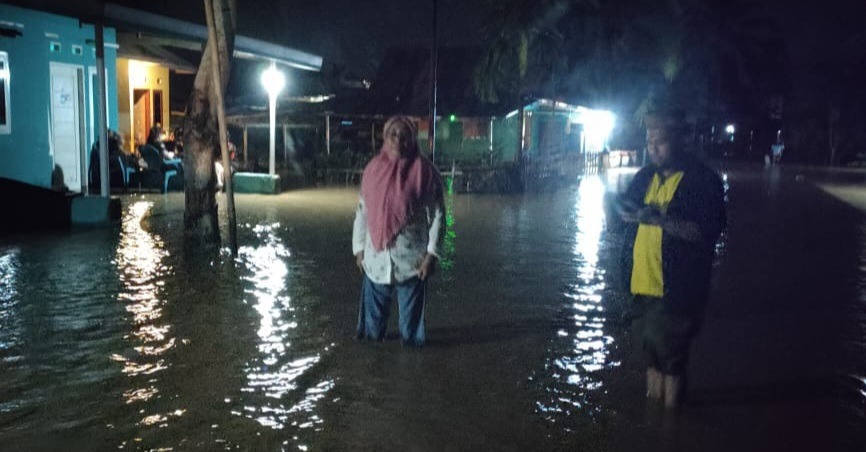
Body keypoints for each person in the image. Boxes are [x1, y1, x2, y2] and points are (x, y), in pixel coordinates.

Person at [617, 109, 726, 410]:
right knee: (650, 356)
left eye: (661, 141)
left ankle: (670, 422)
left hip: (677, 288)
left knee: (672, 360)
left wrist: (660, 220)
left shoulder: (702, 181)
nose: (653, 148)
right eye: (649, 141)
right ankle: (656, 418)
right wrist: (617, 210)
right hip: (639, 284)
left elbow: (704, 231)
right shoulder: (644, 177)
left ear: (680, 141)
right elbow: (627, 212)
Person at [352, 116, 445, 347]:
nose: (398, 140)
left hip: (412, 262)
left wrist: (431, 255)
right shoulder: (372, 170)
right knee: (372, 334)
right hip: (375, 261)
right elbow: (362, 212)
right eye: (393, 134)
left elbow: (438, 215)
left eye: (405, 136)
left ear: (412, 140)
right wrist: (359, 249)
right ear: (385, 137)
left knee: (411, 334)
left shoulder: (425, 172)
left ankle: (412, 365)